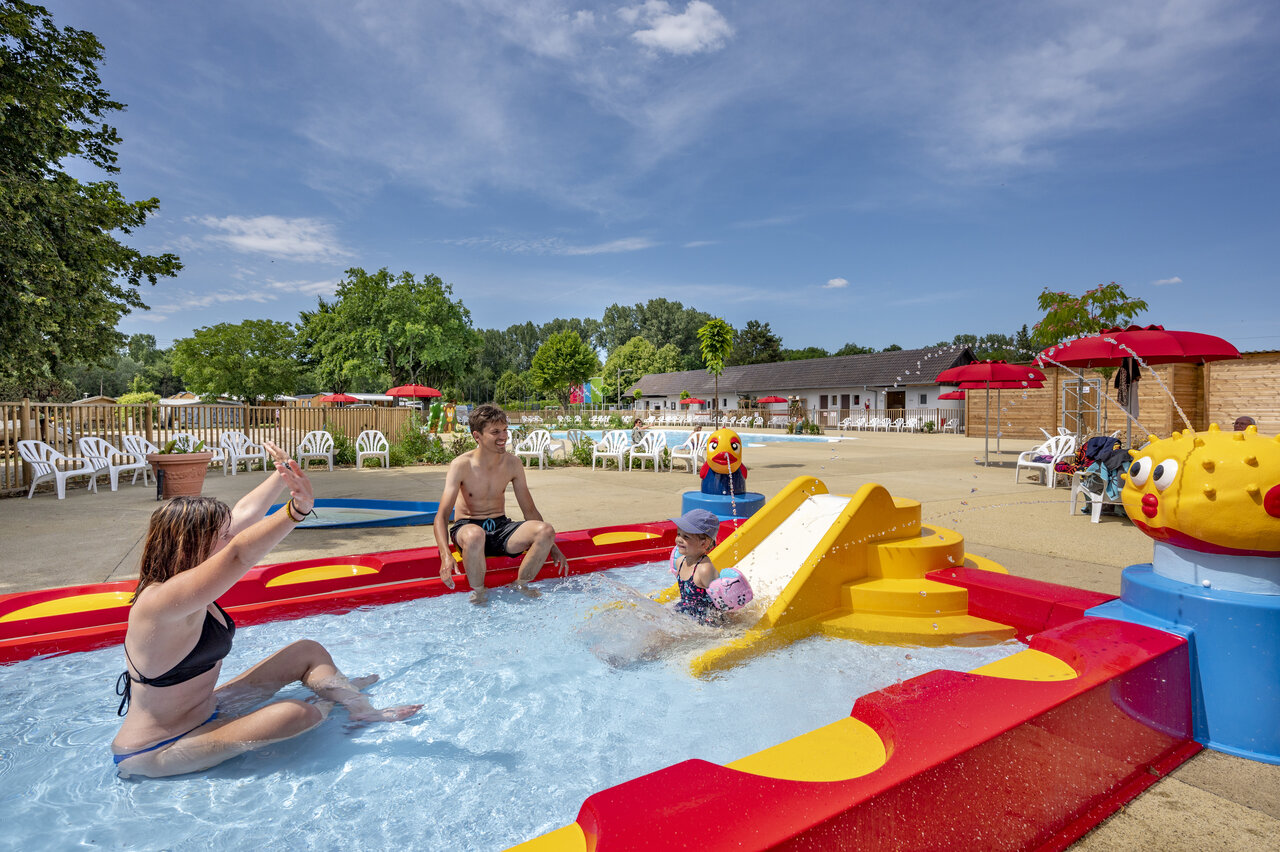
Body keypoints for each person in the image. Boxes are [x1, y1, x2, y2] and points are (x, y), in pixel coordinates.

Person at [111, 440, 420, 778]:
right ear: (191, 546)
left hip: (209, 711)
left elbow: (244, 516)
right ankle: (328, 699)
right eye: (224, 535)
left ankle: (358, 707)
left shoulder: (190, 585)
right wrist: (296, 511)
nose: (232, 536)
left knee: (306, 651)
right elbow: (238, 554)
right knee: (294, 714)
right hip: (160, 748)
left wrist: (282, 474)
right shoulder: (158, 602)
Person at [435, 404, 568, 603]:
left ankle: (520, 585)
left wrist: (552, 546)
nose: (503, 436)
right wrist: (445, 554)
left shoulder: (513, 463)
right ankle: (479, 592)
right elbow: (442, 516)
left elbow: (529, 510)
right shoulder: (461, 465)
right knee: (475, 535)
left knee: (546, 530)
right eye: (495, 432)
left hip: (500, 527)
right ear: (477, 436)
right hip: (468, 528)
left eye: (505, 430)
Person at [668, 509, 722, 625]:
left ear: (704, 543)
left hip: (704, 622)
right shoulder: (680, 562)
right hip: (686, 613)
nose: (679, 539)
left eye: (686, 537)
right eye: (678, 534)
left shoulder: (704, 569)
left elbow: (721, 601)